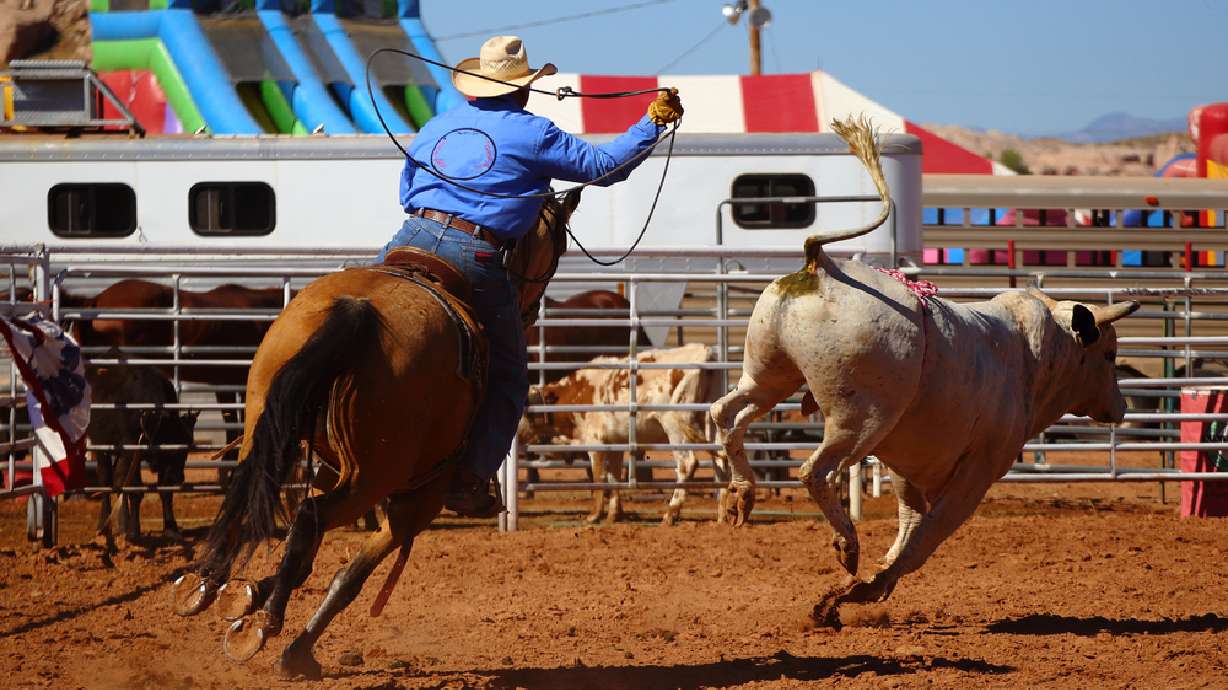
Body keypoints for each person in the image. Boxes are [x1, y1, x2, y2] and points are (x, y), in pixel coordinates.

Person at [376, 35, 683, 517]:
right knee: (509, 378)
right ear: (523, 89)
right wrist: (651, 122)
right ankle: (469, 478)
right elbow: (604, 167)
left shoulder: (436, 126)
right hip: (472, 253)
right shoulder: (535, 133)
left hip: (405, 243)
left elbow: (409, 192)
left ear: (472, 89)